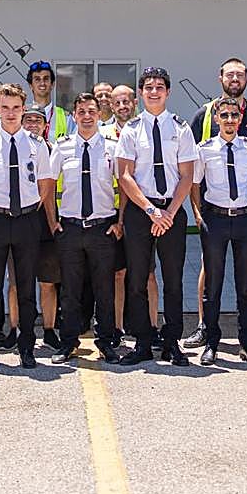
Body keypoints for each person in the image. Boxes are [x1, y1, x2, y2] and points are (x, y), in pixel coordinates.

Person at [186, 58, 247, 352]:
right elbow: (193, 176)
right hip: (215, 216)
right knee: (211, 279)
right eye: (230, 74)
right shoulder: (203, 119)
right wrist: (198, 214)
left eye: (240, 74)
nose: (228, 119)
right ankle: (207, 333)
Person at [115, 66, 197, 366]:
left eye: (159, 87)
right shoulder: (132, 129)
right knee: (137, 279)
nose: (153, 91)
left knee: (173, 280)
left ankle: (172, 341)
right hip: (142, 212)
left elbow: (187, 175)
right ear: (140, 93)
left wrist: (170, 213)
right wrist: (151, 211)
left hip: (171, 211)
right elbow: (124, 175)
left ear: (168, 92)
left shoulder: (180, 128)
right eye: (148, 87)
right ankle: (142, 342)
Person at [0, 83, 56, 370]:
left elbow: (44, 185)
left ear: (23, 109)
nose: (11, 113)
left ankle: (26, 348)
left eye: (16, 108)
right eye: (5, 108)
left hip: (27, 221)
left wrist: (27, 210)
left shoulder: (36, 145)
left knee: (26, 287)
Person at [50, 92, 124, 364]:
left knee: (104, 290)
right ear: (74, 116)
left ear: (99, 114)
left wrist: (120, 222)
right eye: (81, 112)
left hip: (102, 228)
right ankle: (68, 342)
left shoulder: (112, 147)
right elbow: (48, 185)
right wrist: (53, 222)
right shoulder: (62, 147)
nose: (87, 116)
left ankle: (106, 342)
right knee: (70, 291)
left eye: (92, 111)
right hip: (70, 228)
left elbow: (124, 185)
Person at [101, 84, 161, 343]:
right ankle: (117, 329)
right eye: (117, 103)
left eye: (126, 101)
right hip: (110, 211)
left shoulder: (147, 128)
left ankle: (152, 326)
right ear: (111, 106)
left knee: (148, 274)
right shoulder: (101, 134)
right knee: (118, 274)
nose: (122, 106)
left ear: (135, 103)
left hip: (142, 209)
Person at [18, 104, 63, 350]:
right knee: (17, 282)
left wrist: (53, 222)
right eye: (28, 120)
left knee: (48, 281)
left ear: (45, 126)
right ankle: (16, 329)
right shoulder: (12, 146)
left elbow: (53, 188)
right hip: (18, 222)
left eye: (38, 120)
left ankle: (48, 329)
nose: (33, 124)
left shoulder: (53, 150)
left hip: (46, 225)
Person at [26, 60, 69, 141]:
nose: (42, 83)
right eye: (37, 79)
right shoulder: (22, 116)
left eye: (46, 79)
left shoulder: (66, 117)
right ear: (30, 85)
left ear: (52, 84)